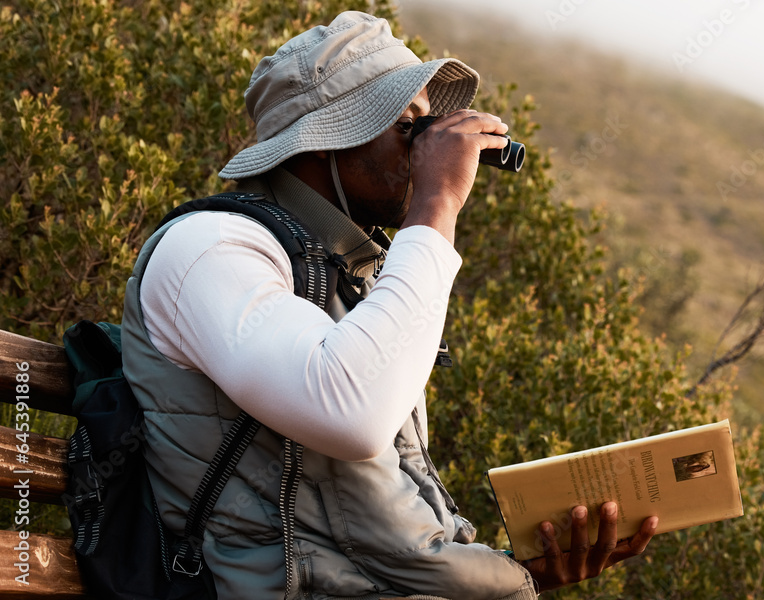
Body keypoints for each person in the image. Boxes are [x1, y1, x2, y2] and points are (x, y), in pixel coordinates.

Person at [121, 11, 656, 599]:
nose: (427, 147)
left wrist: (521, 570)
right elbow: (351, 416)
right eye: (409, 126)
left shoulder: (342, 274)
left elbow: (371, 530)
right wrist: (436, 204)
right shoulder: (210, 248)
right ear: (323, 139)